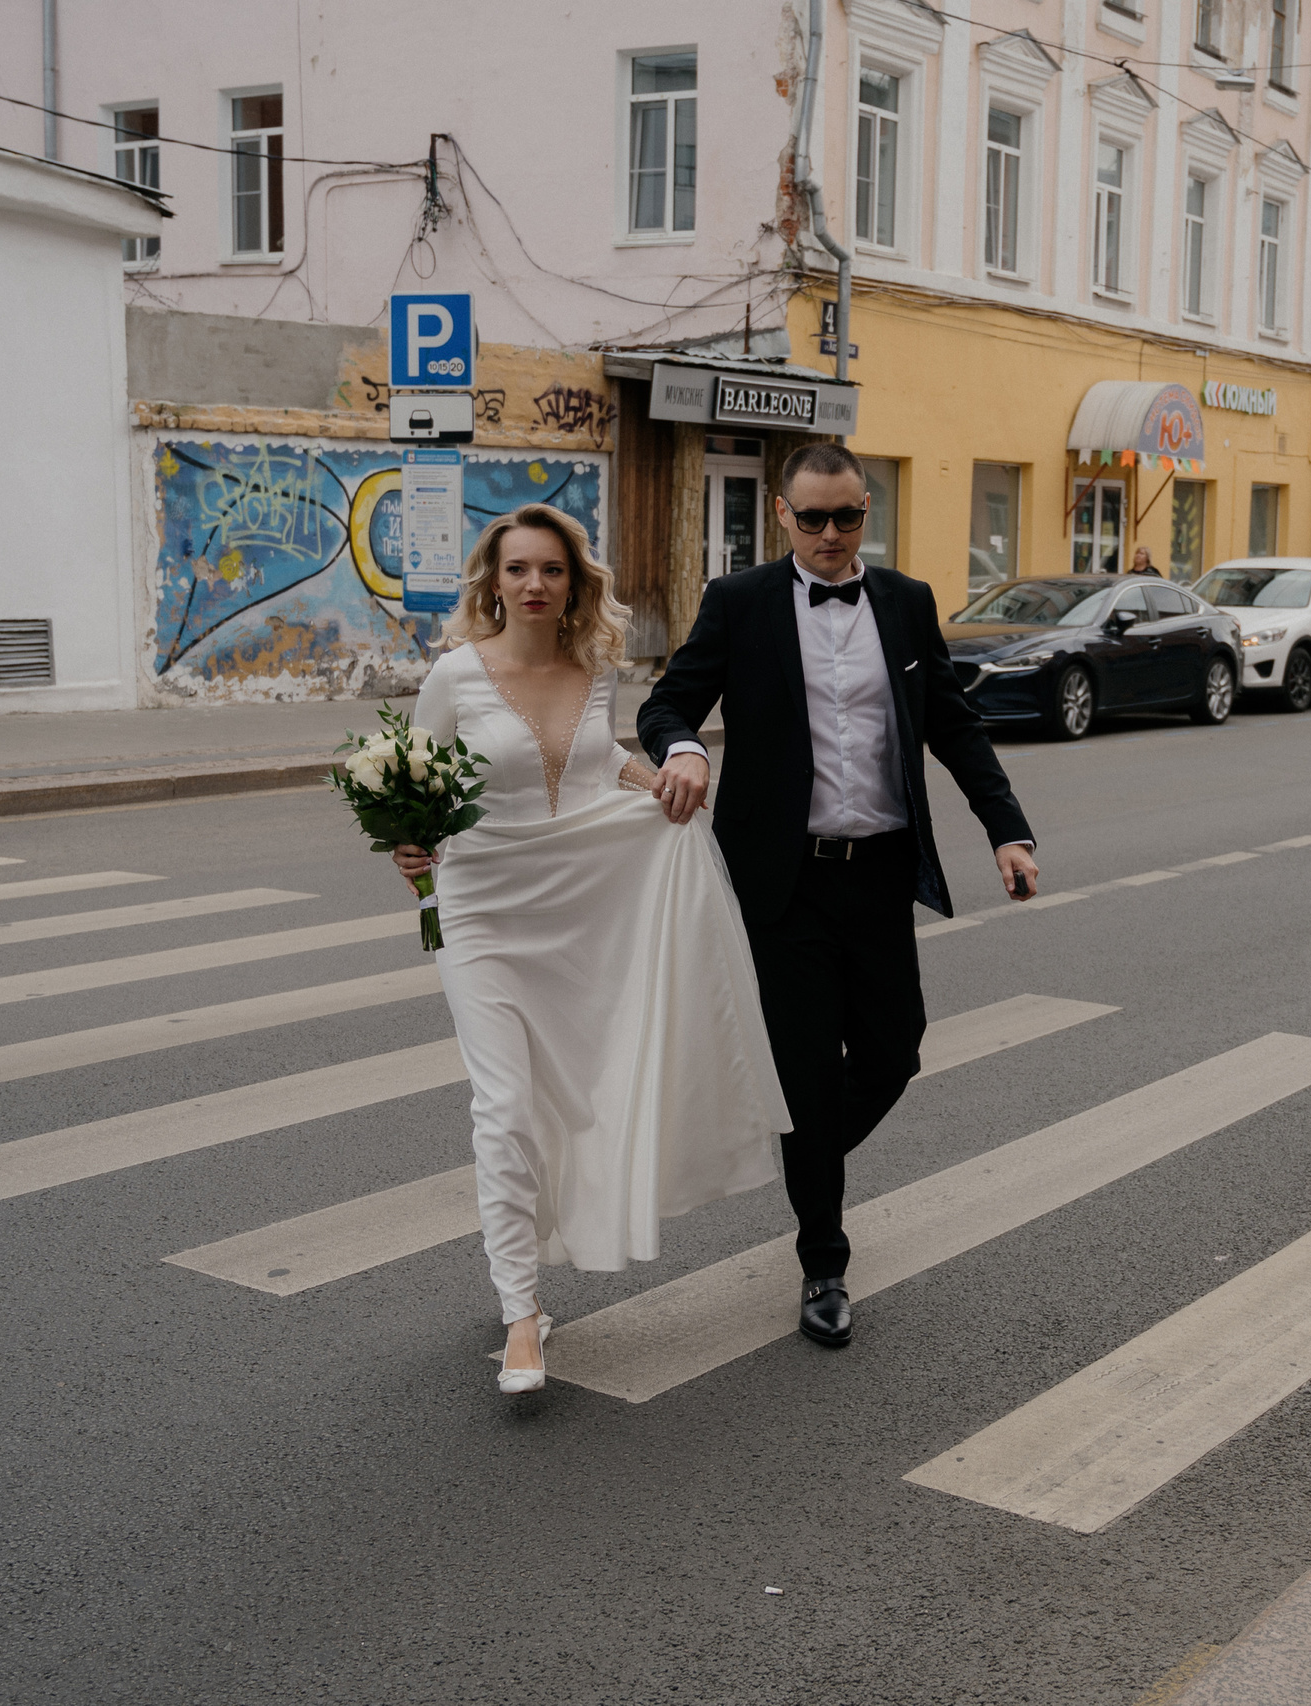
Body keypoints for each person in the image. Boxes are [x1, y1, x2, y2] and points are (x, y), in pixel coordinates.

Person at [638, 442, 1039, 1351]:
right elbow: (667, 705)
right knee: (811, 1070)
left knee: (895, 1053)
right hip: (785, 883)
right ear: (782, 516)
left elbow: (952, 724)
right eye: (811, 518)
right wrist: (687, 750)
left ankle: (803, 1153)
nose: (829, 534)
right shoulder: (738, 605)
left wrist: (1006, 829)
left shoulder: (904, 602)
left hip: (882, 872)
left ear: (868, 512)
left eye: (847, 517)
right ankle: (824, 1256)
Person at [391, 504, 790, 1397]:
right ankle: (522, 1319)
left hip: (581, 903)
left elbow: (596, 757)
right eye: (518, 569)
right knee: (504, 1108)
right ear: (493, 582)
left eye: (552, 570)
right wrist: (406, 846)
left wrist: (662, 780)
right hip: (481, 905)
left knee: (579, 1086)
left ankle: (544, 1258)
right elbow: (416, 780)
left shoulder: (596, 671)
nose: (535, 584)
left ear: (575, 583)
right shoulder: (454, 675)